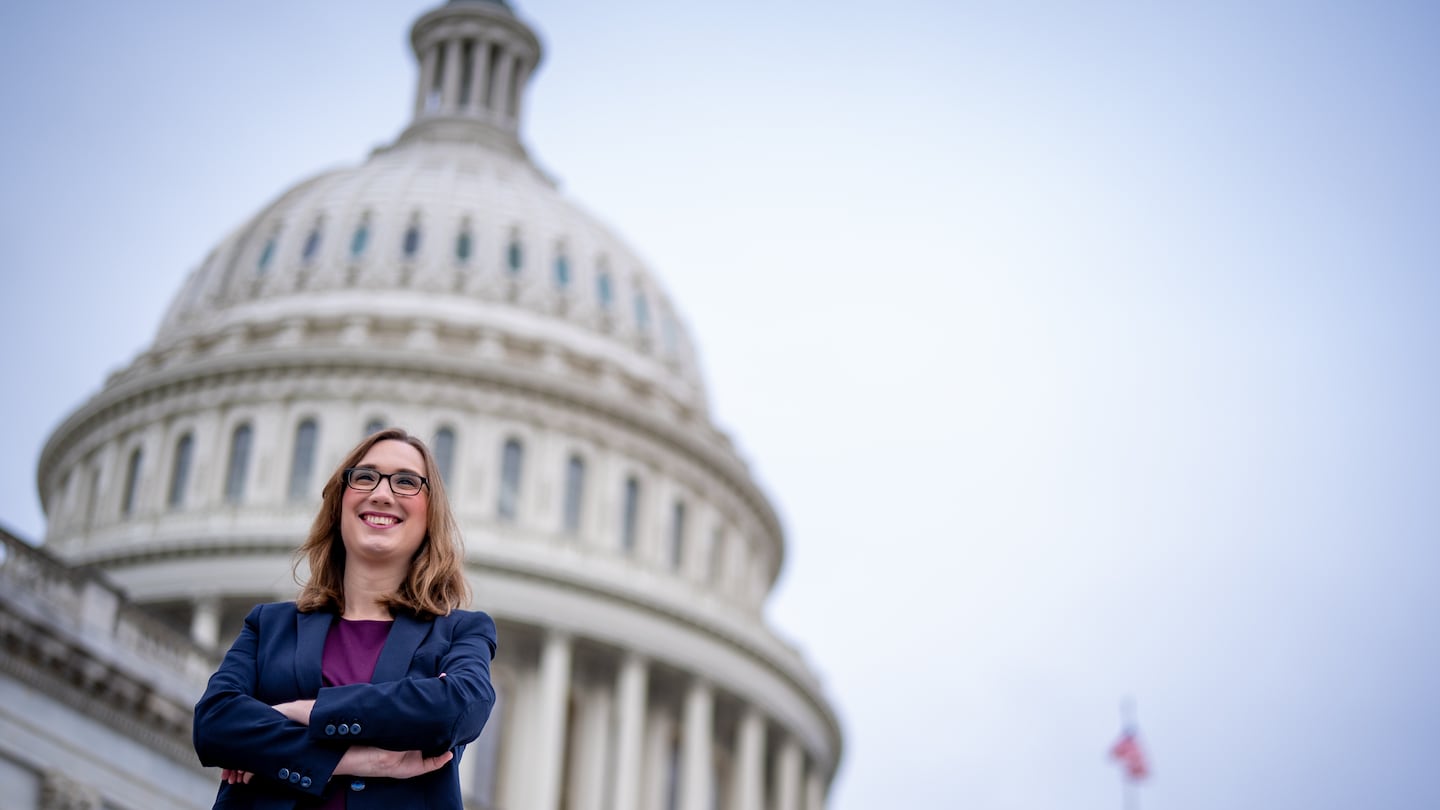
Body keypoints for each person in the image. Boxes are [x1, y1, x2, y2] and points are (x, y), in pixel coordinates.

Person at [193, 427, 496, 809]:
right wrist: (354, 759)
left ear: (430, 514)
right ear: (339, 503)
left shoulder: (459, 632)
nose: (382, 494)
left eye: (406, 482)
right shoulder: (270, 626)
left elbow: (458, 708)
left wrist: (303, 712)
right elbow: (214, 724)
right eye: (365, 477)